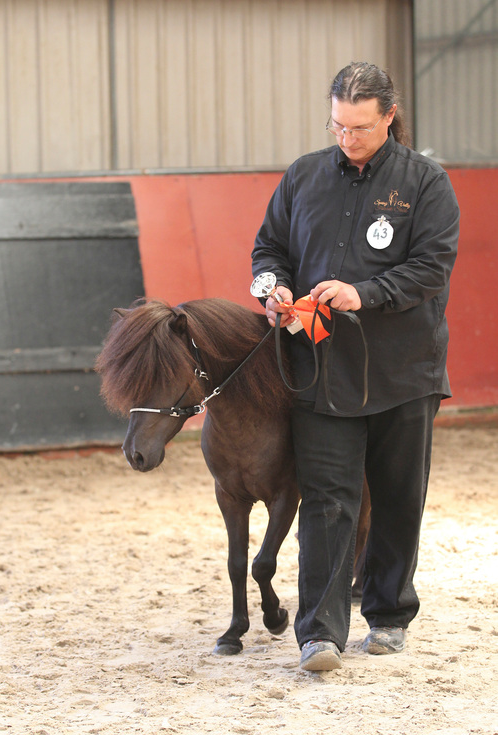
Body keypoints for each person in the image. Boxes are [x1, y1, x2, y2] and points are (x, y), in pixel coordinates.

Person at [251, 61, 459, 672]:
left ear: (389, 117)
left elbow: (431, 268)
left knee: (397, 497)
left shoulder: (426, 182)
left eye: (360, 128)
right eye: (338, 126)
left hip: (404, 372)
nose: (348, 138)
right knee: (325, 500)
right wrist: (271, 286)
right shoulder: (303, 175)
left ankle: (389, 614)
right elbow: (269, 248)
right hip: (319, 369)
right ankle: (319, 633)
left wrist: (362, 294)